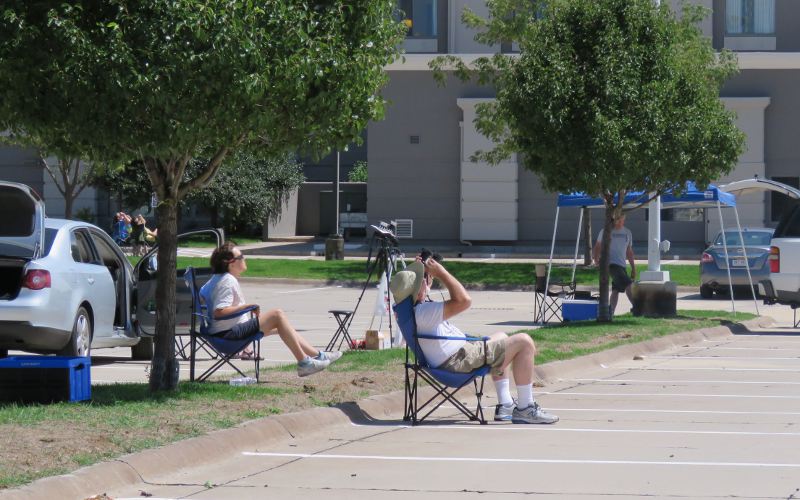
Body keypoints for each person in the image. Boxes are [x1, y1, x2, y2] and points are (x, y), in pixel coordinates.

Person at [389, 255, 559, 424]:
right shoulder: (425, 313)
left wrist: (429, 277)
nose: (426, 282)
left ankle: (506, 405)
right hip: (459, 363)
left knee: (501, 337)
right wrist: (441, 273)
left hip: (454, 359)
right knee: (525, 342)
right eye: (423, 281)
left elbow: (425, 297)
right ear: (419, 291)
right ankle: (525, 409)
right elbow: (464, 300)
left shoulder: (414, 311)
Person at [201, 241, 341, 376]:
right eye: (241, 257)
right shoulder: (226, 280)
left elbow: (207, 300)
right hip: (228, 336)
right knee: (277, 314)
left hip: (222, 333)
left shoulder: (215, 279)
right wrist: (247, 306)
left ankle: (318, 356)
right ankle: (304, 363)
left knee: (283, 326)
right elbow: (219, 312)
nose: (244, 258)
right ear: (230, 263)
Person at [592, 213, 636, 317]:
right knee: (628, 284)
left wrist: (633, 267)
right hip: (610, 264)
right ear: (614, 220)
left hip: (622, 265)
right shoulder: (606, 231)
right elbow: (597, 246)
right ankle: (638, 307)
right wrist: (596, 259)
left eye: (622, 220)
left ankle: (610, 312)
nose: (620, 222)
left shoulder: (627, 232)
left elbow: (629, 251)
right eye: (618, 220)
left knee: (616, 289)